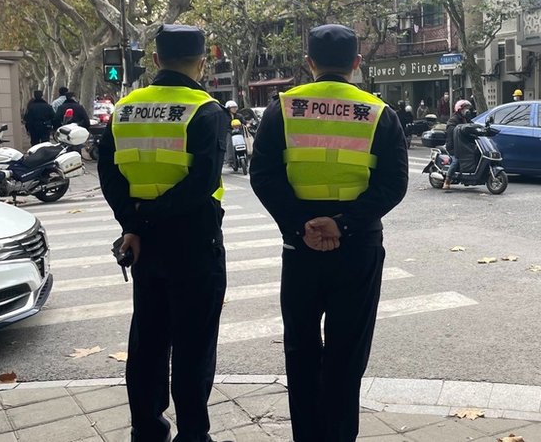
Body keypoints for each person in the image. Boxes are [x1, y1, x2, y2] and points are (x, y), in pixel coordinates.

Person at [249, 24, 408, 440]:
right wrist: (343, 224)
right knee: (346, 354)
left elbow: (263, 175)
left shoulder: (282, 108)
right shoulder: (377, 112)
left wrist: (300, 224)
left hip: (300, 249)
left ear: (309, 63)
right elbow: (393, 184)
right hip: (358, 251)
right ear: (357, 63)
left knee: (301, 351)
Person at [97, 24, 228, 442]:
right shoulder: (206, 110)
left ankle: (147, 429)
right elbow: (202, 182)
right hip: (194, 243)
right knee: (194, 345)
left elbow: (110, 175)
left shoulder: (124, 109)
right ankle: (193, 434)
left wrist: (134, 224)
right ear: (203, 62)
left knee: (148, 340)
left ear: (155, 60)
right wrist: (152, 218)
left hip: (144, 246)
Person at [443, 99, 470, 190]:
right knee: (456, 161)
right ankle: (447, 180)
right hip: (453, 147)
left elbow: (471, 126)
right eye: (464, 108)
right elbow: (453, 135)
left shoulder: (465, 119)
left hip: (462, 146)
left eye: (467, 108)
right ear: (459, 109)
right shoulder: (453, 120)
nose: (466, 110)